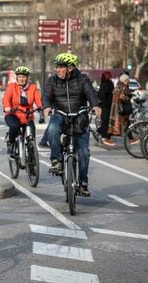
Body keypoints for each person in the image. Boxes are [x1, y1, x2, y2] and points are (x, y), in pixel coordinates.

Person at [43, 52, 101, 197]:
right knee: (52, 128)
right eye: (57, 67)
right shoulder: (52, 80)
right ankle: (56, 160)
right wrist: (46, 106)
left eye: (61, 67)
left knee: (84, 151)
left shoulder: (82, 79)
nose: (58, 70)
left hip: (79, 116)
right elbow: (46, 95)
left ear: (70, 68)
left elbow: (91, 93)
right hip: (60, 114)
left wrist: (95, 105)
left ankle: (83, 183)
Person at [2, 66, 43, 156]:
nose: (21, 79)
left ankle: (32, 156)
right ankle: (11, 143)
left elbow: (38, 99)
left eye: (24, 77)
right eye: (20, 77)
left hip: (27, 116)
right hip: (13, 114)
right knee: (15, 127)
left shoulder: (33, 88)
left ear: (28, 78)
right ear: (17, 77)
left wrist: (41, 107)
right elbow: (6, 98)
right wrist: (7, 107)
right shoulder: (12, 87)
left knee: (32, 136)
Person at [107, 73, 138, 144]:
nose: (128, 81)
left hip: (116, 107)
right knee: (120, 123)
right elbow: (122, 97)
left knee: (123, 123)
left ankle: (131, 138)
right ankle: (107, 138)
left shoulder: (118, 85)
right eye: (127, 80)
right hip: (120, 109)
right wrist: (128, 97)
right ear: (124, 80)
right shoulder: (122, 86)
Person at [98, 71, 115, 146]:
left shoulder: (107, 83)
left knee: (106, 121)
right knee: (106, 121)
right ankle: (104, 136)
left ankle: (104, 135)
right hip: (105, 105)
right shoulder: (106, 83)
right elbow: (103, 95)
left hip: (107, 105)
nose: (109, 76)